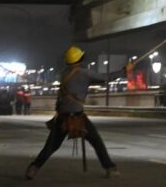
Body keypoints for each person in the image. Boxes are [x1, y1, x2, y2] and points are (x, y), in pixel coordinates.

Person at [25, 46, 120, 180]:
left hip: (62, 117)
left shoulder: (64, 74)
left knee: (51, 146)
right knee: (97, 142)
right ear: (80, 58)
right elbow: (106, 78)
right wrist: (125, 71)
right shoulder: (84, 73)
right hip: (78, 117)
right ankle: (109, 167)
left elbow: (60, 99)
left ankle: (33, 168)